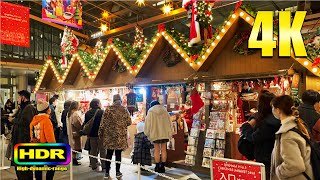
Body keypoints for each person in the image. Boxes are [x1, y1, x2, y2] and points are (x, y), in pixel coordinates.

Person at [270, 95, 314, 179]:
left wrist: (278, 172)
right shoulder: (297, 124)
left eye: (273, 108)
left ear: (278, 110)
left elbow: (295, 165)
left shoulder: (287, 135)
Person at [240, 92, 280, 179]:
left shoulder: (268, 122)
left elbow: (254, 137)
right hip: (271, 157)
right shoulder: (275, 119)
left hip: (266, 159)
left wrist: (245, 127)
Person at [98, 94, 131, 179]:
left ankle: (107, 172)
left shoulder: (108, 110)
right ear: (120, 100)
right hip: (120, 137)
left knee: (108, 154)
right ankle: (117, 172)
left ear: (113, 100)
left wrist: (100, 134)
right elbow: (129, 122)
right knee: (118, 154)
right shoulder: (124, 109)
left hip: (109, 137)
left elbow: (102, 123)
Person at [10, 90, 37, 179]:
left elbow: (28, 123)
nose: (17, 99)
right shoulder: (22, 108)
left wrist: (13, 120)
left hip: (24, 141)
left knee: (24, 167)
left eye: (18, 97)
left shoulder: (29, 108)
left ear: (23, 98)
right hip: (19, 140)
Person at [30, 100, 56, 180]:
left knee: (38, 166)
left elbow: (31, 134)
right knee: (52, 165)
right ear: (48, 110)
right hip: (45, 146)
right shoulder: (46, 120)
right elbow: (50, 137)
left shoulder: (34, 120)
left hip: (35, 145)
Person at [145, 100, 172, 173]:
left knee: (156, 149)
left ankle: (157, 166)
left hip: (155, 133)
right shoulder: (165, 111)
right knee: (163, 149)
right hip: (164, 133)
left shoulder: (150, 112)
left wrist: (147, 133)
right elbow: (170, 122)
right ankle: (163, 166)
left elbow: (147, 124)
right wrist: (170, 133)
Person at [83, 99, 105, 171]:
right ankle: (104, 165)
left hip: (91, 134)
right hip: (101, 134)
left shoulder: (87, 113)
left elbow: (86, 124)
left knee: (93, 150)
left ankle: (93, 165)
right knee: (102, 150)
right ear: (98, 104)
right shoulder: (102, 112)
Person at [67, 101, 83, 165]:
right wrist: (81, 126)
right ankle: (74, 160)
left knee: (73, 146)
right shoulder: (75, 114)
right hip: (75, 132)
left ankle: (74, 159)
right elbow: (77, 123)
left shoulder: (69, 113)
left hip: (71, 132)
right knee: (75, 146)